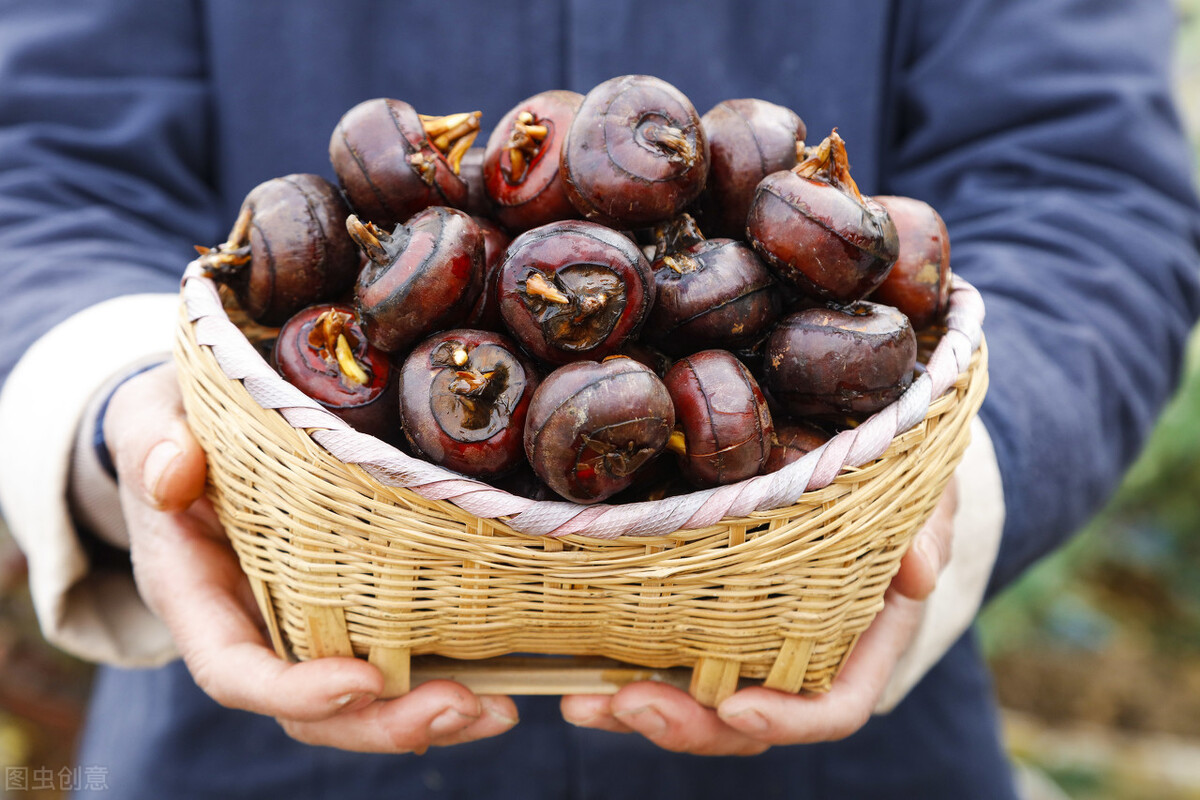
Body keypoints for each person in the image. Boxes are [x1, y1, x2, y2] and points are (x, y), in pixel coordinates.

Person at [1, 1, 1198, 797]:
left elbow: (1088, 189)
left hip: (845, 730)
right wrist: (119, 407)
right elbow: (37, 162)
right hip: (247, 746)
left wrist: (935, 479)